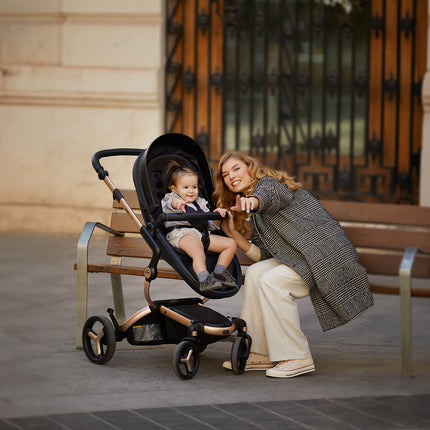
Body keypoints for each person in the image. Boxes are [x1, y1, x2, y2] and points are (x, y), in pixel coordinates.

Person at [214, 152, 373, 378]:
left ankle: (298, 356)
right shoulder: (258, 219)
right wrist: (233, 234)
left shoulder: (271, 185)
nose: (231, 176)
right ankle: (260, 351)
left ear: (250, 167)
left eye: (236, 168)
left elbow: (268, 198)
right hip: (301, 259)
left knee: (272, 282)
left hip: (321, 256)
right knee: (257, 272)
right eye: (226, 174)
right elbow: (265, 257)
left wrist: (253, 202)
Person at [161, 161, 237, 292]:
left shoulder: (201, 203)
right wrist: (177, 203)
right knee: (198, 251)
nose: (191, 191)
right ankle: (204, 279)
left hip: (201, 234)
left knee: (230, 244)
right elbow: (170, 203)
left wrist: (217, 215)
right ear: (174, 189)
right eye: (186, 188)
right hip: (182, 234)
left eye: (194, 187)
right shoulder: (171, 198)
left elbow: (210, 225)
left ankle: (219, 272)